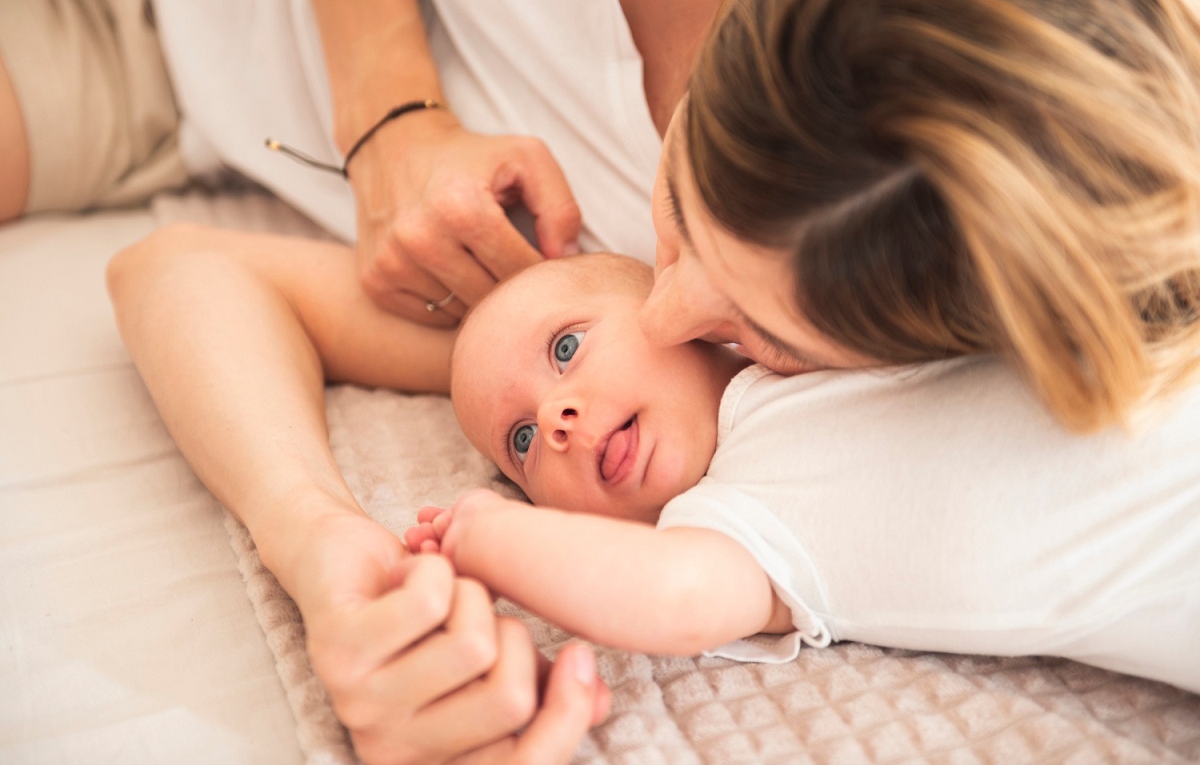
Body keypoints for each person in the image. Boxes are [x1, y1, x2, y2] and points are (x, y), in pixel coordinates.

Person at [57, 0, 1200, 757]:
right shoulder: (606, 266)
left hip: (137, 89)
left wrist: (326, 552)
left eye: (767, 336)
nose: (671, 305)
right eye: (682, 210)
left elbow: (186, 270)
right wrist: (389, 110)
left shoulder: (700, 341)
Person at [405, 252, 1200, 693]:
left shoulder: (815, 313)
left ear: (667, 299)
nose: (555, 419)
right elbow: (674, 597)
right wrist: (493, 535)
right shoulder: (732, 519)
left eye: (566, 348)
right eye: (520, 444)